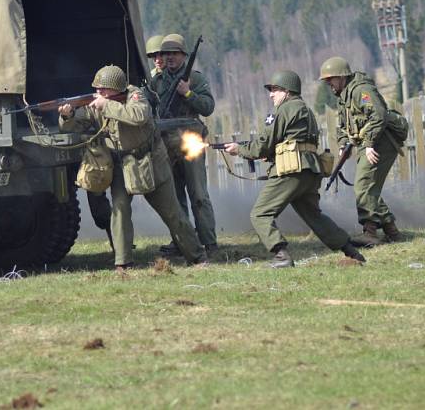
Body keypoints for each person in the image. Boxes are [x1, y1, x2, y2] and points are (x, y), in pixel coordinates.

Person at [59, 65, 207, 269]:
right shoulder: (98, 104)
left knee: (172, 212)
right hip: (121, 164)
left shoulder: (135, 95)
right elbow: (73, 125)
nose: (99, 93)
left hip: (152, 161)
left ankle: (197, 256)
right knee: (119, 211)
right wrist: (67, 115)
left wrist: (106, 105)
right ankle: (123, 262)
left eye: (103, 89)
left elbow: (138, 116)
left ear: (117, 89)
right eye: (97, 89)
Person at [224, 70, 366, 268]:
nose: (271, 94)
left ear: (287, 91)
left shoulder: (282, 110)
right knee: (314, 217)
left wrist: (239, 149)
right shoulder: (306, 111)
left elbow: (262, 145)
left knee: (260, 214)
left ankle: (281, 256)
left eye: (274, 90)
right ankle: (351, 252)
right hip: (310, 171)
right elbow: (298, 141)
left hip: (291, 171)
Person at [319, 56, 409, 246]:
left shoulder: (361, 90)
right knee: (369, 187)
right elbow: (344, 124)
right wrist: (344, 143)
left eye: (331, 79)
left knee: (363, 186)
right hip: (368, 144)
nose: (328, 83)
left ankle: (370, 233)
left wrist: (368, 144)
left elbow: (379, 115)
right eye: (326, 80)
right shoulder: (343, 96)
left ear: (342, 76)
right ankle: (392, 232)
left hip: (381, 143)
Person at [151, 33, 218, 255]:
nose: (169, 57)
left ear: (183, 55)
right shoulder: (157, 82)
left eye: (174, 53)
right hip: (166, 143)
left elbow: (208, 107)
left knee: (198, 193)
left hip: (190, 141)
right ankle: (183, 241)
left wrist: (187, 93)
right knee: (174, 196)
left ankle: (208, 241)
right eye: (166, 53)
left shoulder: (195, 79)